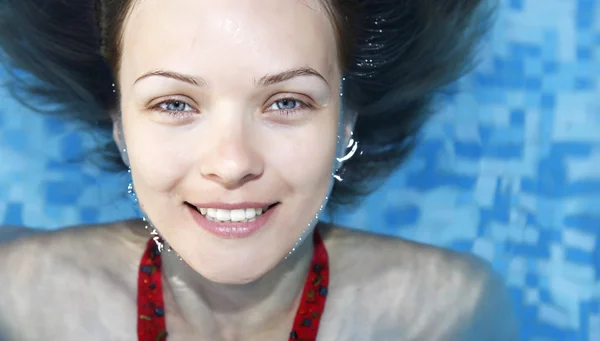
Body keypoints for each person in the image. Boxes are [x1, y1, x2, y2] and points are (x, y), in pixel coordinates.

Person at [0, 0, 518, 340]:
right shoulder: (19, 298)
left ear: (343, 124)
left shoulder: (447, 314)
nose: (232, 164)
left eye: (287, 102)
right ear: (120, 128)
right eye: (176, 104)